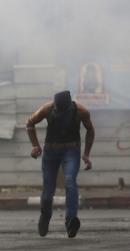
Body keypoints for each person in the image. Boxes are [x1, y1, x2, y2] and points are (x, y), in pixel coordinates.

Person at [26, 90, 94, 238]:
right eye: (58, 110)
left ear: (71, 105)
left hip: (71, 151)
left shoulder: (81, 111)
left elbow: (90, 130)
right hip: (51, 152)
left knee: (70, 182)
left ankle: (70, 221)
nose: (61, 113)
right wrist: (35, 146)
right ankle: (45, 217)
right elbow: (30, 123)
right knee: (48, 190)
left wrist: (86, 154)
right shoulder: (47, 109)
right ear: (55, 105)